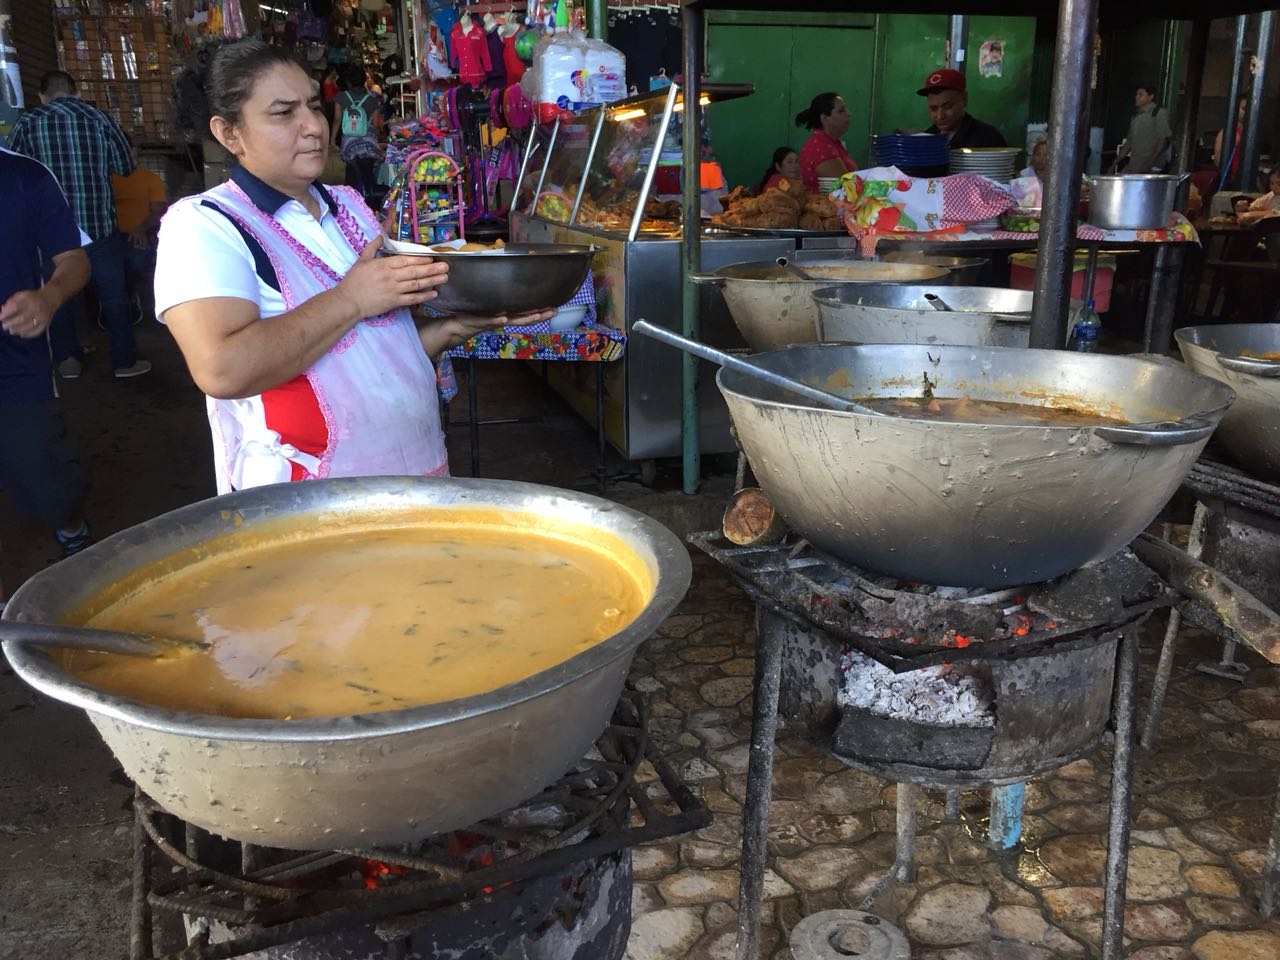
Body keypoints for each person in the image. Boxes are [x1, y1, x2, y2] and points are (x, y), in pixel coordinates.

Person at [155, 39, 551, 495]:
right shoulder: (206, 225)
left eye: (313, 106)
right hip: (307, 496)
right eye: (283, 113)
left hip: (415, 471)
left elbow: (366, 356)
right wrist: (352, 298)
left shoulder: (349, 206)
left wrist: (452, 329)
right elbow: (223, 369)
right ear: (229, 133)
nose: (313, 128)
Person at [7, 70, 151, 379]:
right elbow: (126, 167)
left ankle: (68, 361)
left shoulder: (28, 123)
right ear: (75, 92)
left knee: (56, 294)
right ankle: (124, 361)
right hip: (98, 225)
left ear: (42, 96)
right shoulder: (100, 120)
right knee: (114, 296)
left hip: (50, 234)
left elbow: (14, 174)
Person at [0, 146, 94, 564]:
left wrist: (49, 297)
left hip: (17, 369)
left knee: (52, 488)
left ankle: (72, 529)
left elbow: (73, 259)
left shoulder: (24, 176)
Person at [112, 135, 168, 323]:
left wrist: (140, 228)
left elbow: (158, 211)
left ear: (136, 150)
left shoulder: (150, 179)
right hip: (110, 236)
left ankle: (125, 298)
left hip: (140, 235)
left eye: (130, 147)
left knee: (136, 261)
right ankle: (119, 301)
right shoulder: (106, 180)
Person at [331, 64, 383, 202]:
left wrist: (331, 140)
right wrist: (376, 140)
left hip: (349, 142)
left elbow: (337, 119)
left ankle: (352, 202)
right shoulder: (372, 99)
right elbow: (377, 125)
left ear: (347, 81)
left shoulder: (341, 96)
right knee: (368, 175)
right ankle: (369, 201)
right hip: (368, 143)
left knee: (351, 174)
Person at [917, 68, 1006, 149]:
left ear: (964, 99)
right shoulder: (926, 138)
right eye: (934, 109)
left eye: (948, 106)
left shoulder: (988, 138)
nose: (940, 116)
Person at [795, 93, 858, 193]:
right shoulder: (821, 146)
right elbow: (847, 189)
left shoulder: (831, 143)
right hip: (828, 206)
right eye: (841, 111)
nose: (849, 114)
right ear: (824, 118)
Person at [1122, 83, 1171, 174]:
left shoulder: (1158, 113)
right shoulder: (1136, 116)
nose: (1137, 97)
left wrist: (1148, 164)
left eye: (1141, 95)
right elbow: (1129, 142)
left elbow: (1163, 141)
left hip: (1152, 169)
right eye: (1136, 94)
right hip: (1135, 167)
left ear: (1151, 97)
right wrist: (1115, 163)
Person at [1214, 96, 1247, 187]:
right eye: (1244, 109)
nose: (1247, 112)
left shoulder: (1248, 133)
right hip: (1231, 181)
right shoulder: (1228, 133)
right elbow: (1218, 160)